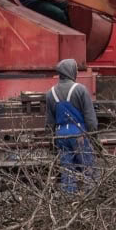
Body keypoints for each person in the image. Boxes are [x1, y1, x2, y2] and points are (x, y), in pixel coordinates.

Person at [45, 58, 98, 192]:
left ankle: (68, 200)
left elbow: (49, 122)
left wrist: (51, 138)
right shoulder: (80, 90)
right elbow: (90, 117)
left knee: (67, 170)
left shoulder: (50, 93)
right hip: (78, 134)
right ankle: (89, 197)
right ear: (72, 72)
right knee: (88, 168)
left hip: (60, 136)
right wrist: (93, 136)